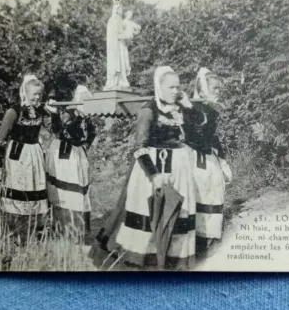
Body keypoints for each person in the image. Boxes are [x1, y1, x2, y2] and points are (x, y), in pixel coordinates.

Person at [90, 66, 206, 270]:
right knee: (149, 214)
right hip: (152, 169)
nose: (175, 91)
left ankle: (173, 256)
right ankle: (146, 258)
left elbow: (200, 127)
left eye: (177, 87)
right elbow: (139, 148)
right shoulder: (148, 111)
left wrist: (189, 107)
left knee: (177, 213)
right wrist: (154, 175)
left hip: (179, 168)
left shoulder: (180, 108)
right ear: (158, 87)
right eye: (170, 87)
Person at [0, 74, 57, 244]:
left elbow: (54, 130)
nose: (37, 97)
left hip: (35, 154)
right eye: (34, 94)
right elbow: (0, 140)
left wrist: (55, 113)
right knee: (18, 189)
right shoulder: (13, 111)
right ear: (25, 92)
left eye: (40, 94)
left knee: (34, 188)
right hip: (17, 155)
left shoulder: (42, 112)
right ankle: (15, 232)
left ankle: (35, 230)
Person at [184, 68, 233, 257]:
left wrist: (222, 159)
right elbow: (192, 136)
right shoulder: (190, 109)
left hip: (206, 156)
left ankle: (208, 235)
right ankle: (196, 237)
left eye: (219, 89)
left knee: (212, 191)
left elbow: (212, 138)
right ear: (202, 89)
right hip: (192, 157)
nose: (218, 92)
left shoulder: (211, 111)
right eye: (215, 88)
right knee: (198, 192)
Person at [45, 85, 97, 243]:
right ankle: (62, 228)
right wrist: (56, 115)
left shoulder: (86, 117)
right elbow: (58, 131)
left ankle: (76, 229)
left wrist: (85, 143)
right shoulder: (70, 113)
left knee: (78, 191)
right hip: (64, 154)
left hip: (77, 155)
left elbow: (92, 132)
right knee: (64, 191)